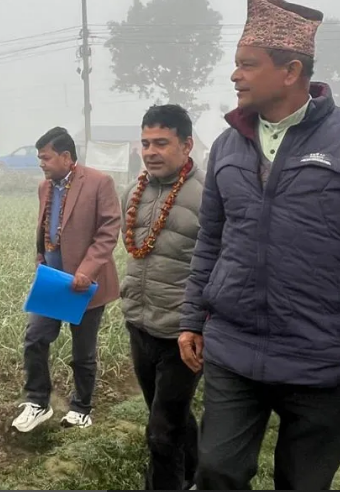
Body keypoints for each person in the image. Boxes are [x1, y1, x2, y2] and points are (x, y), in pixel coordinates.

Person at [179, 0, 340, 490]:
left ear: (291, 70)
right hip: (236, 346)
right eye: (236, 64)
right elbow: (210, 240)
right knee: (217, 471)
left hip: (324, 353)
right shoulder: (230, 145)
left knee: (303, 482)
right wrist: (192, 316)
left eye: (247, 65)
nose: (235, 76)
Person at [11, 126, 122, 432]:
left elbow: (108, 230)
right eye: (39, 158)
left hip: (85, 283)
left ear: (65, 156)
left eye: (45, 158)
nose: (41, 164)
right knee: (35, 338)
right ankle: (37, 402)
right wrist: (40, 257)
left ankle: (81, 407)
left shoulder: (99, 182)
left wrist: (87, 270)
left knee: (82, 351)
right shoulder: (44, 187)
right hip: (53, 281)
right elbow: (45, 227)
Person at [120, 104, 205, 491]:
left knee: (160, 432)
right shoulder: (134, 192)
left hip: (181, 334)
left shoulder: (207, 196)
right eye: (145, 143)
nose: (150, 151)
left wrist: (201, 323)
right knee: (170, 414)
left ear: (186, 145)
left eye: (161, 143)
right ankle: (194, 475)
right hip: (139, 323)